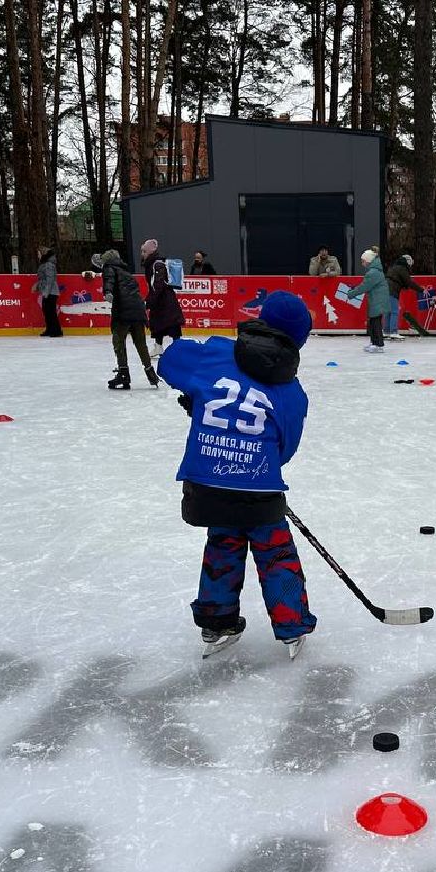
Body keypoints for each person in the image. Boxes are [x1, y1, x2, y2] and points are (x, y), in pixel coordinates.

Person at [157, 291, 317, 659]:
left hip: (206, 486)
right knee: (276, 553)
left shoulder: (214, 354)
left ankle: (216, 623)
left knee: (223, 545)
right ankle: (292, 626)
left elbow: (170, 360)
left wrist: (198, 393)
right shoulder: (292, 392)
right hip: (260, 488)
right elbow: (286, 449)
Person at [84, 249, 158, 389]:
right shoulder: (126, 272)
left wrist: (107, 292)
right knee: (141, 344)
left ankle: (123, 374)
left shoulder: (109, 268)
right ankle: (151, 374)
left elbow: (109, 279)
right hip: (138, 311)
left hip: (123, 312)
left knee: (118, 341)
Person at [347, 249, 391, 352]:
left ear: (368, 261)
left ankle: (378, 344)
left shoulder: (373, 273)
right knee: (372, 322)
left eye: (363, 261)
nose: (362, 263)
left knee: (375, 323)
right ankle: (374, 342)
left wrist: (351, 294)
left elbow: (364, 287)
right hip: (376, 299)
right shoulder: (374, 271)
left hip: (378, 300)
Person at [146, 259, 185, 358]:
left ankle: (177, 347)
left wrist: (150, 300)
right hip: (164, 300)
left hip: (163, 301)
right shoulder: (157, 264)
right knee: (160, 323)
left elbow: (158, 284)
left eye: (144, 251)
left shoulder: (157, 265)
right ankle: (159, 346)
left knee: (171, 324)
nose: (142, 254)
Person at [384, 253, 425, 340]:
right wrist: (421, 290)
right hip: (392, 290)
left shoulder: (394, 267)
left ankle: (386, 331)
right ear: (407, 262)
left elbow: (398, 280)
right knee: (394, 311)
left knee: (388, 312)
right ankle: (393, 332)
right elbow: (409, 282)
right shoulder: (402, 268)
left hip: (385, 289)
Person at [33, 247, 63, 337]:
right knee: (47, 311)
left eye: (39, 253)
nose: (38, 255)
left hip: (51, 292)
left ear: (43, 254)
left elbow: (50, 279)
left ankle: (56, 330)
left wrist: (46, 292)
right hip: (47, 291)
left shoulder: (48, 264)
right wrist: (38, 286)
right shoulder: (45, 264)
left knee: (51, 311)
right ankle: (50, 329)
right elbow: (43, 279)